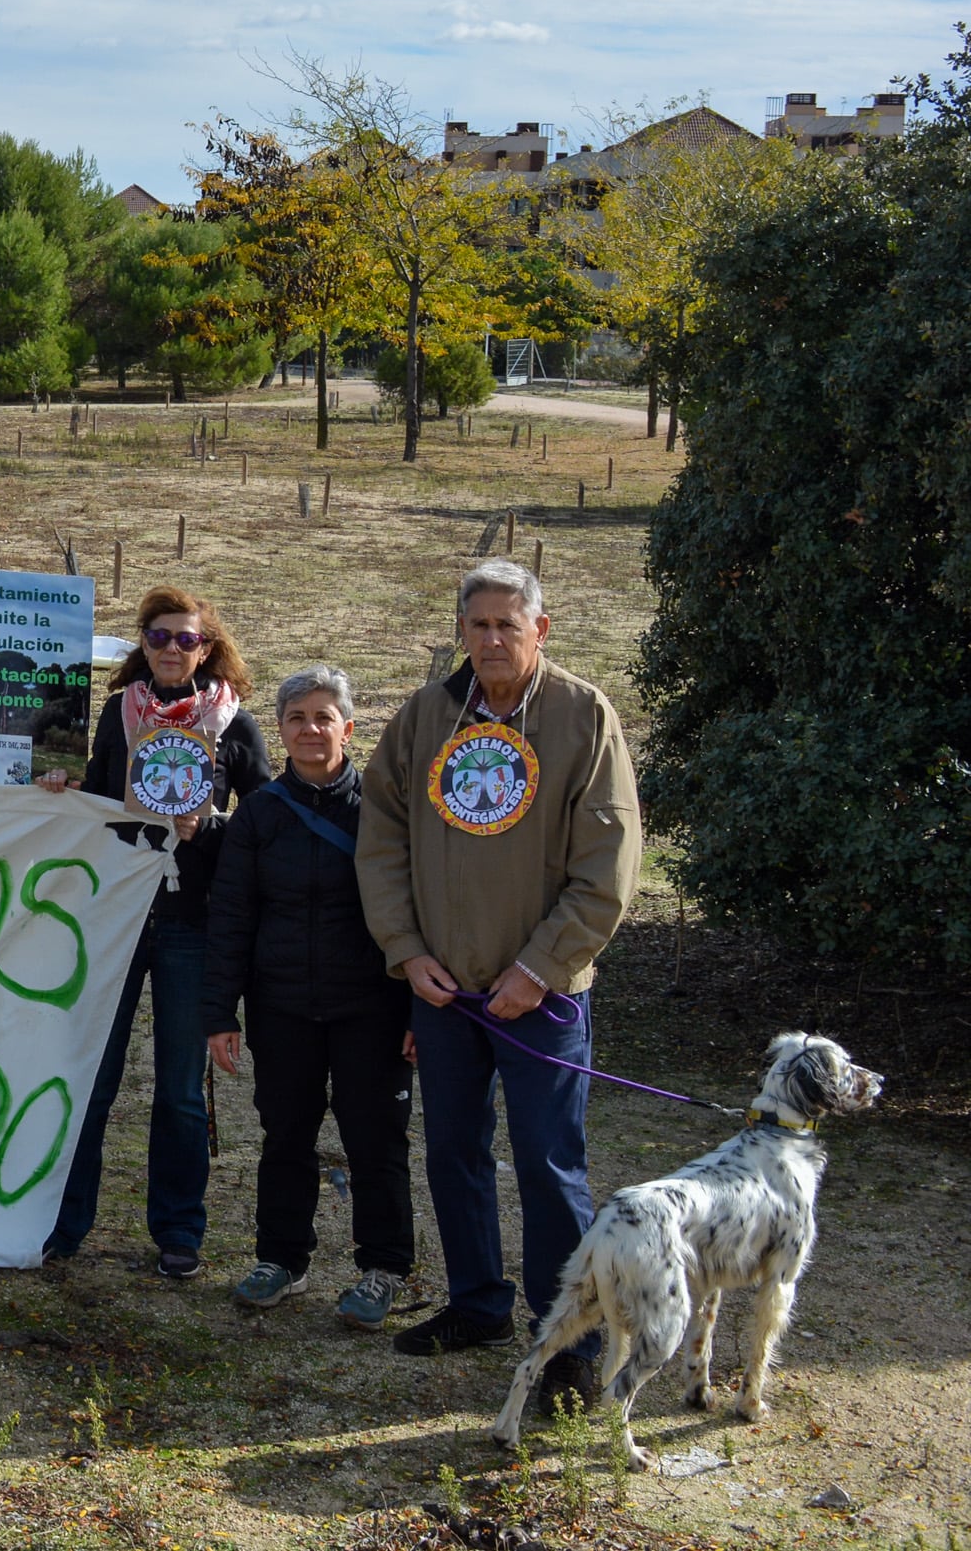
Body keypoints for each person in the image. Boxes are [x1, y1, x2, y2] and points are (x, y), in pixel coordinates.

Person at [359, 560, 639, 1412]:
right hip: (443, 992)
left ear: (539, 630)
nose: (489, 640)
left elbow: (608, 865)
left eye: (506, 626)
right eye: (476, 625)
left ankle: (572, 1343)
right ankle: (478, 1301)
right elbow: (380, 839)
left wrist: (539, 967)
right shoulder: (424, 717)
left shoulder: (583, 716)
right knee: (452, 1151)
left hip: (541, 997)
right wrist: (408, 952)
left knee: (550, 1166)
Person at [38, 585, 269, 1278]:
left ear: (207, 646)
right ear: (142, 644)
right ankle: (64, 1222)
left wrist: (215, 823)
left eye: (185, 638)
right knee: (93, 1078)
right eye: (159, 637)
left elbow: (265, 825)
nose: (172, 649)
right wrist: (60, 785)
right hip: (116, 917)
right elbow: (102, 798)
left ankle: (178, 1229)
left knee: (177, 1087)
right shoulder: (117, 714)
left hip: (191, 923)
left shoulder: (236, 725)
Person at [201, 664, 414, 1328]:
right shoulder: (260, 812)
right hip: (283, 1005)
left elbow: (416, 910)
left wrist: (416, 1012)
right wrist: (219, 1010)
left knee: (375, 1140)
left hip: (370, 1009)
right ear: (281, 731)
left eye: (324, 717)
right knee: (285, 1135)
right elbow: (232, 914)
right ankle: (281, 1260)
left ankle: (382, 1268)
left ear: (348, 729)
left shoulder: (386, 809)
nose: (310, 729)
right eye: (297, 718)